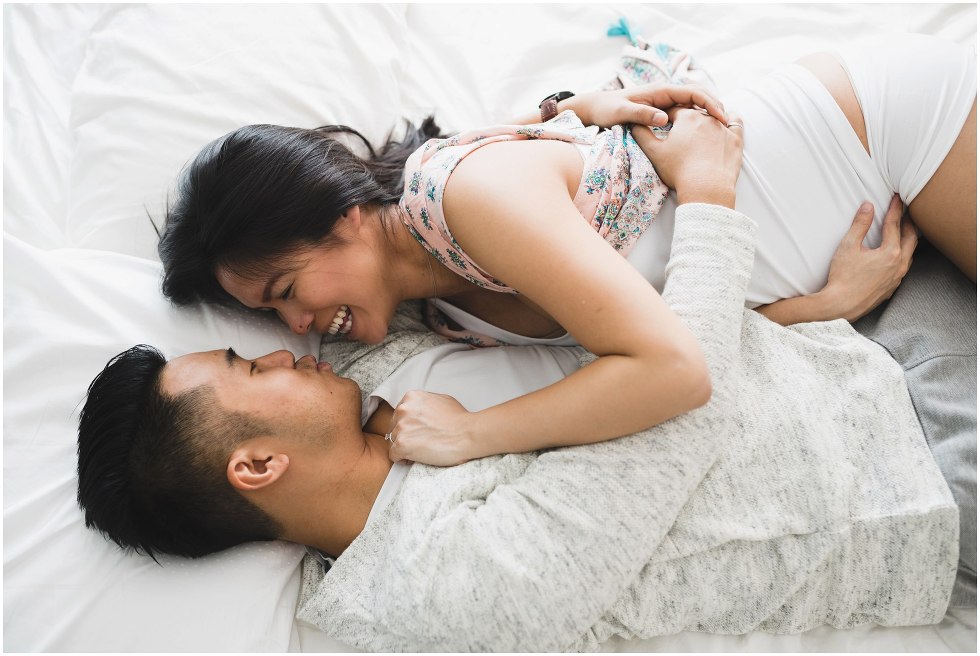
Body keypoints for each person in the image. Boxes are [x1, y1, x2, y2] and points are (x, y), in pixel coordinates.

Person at [78, 202, 960, 648]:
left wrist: (818, 308)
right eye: (245, 370)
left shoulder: (372, 382)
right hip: (926, 471)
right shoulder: (443, 586)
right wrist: (710, 194)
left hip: (860, 332)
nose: (275, 352)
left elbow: (462, 253)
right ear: (258, 465)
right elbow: (681, 405)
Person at [156, 35, 976, 466]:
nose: (301, 326)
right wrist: (823, 310)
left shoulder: (462, 199)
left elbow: (676, 374)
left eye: (286, 290)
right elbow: (674, 338)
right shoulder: (441, 305)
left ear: (339, 214)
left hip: (878, 131)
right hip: (853, 212)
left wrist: (475, 433)